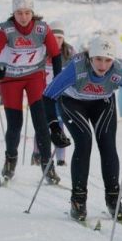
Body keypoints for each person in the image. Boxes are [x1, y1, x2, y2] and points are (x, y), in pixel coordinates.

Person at [43, 36, 122, 221]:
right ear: (90, 57)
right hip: (73, 102)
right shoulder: (76, 67)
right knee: (84, 142)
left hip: (102, 103)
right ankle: (78, 199)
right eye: (98, 59)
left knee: (108, 145)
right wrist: (54, 127)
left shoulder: (118, 70)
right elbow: (48, 96)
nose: (103, 65)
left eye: (108, 60)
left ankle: (113, 198)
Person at [0, 0, 63, 185]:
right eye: (19, 13)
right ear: (14, 13)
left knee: (41, 123)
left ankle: (47, 165)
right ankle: (10, 162)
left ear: (32, 12)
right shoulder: (7, 30)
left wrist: (57, 81)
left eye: (27, 12)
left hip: (34, 78)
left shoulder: (42, 29)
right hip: (11, 79)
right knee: (15, 125)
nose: (23, 17)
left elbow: (55, 55)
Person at [33, 20, 75, 166]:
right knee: (42, 124)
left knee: (59, 124)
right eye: (54, 37)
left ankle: (61, 158)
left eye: (60, 38)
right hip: (42, 95)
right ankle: (37, 153)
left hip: (60, 96)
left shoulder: (69, 52)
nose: (56, 41)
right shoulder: (42, 50)